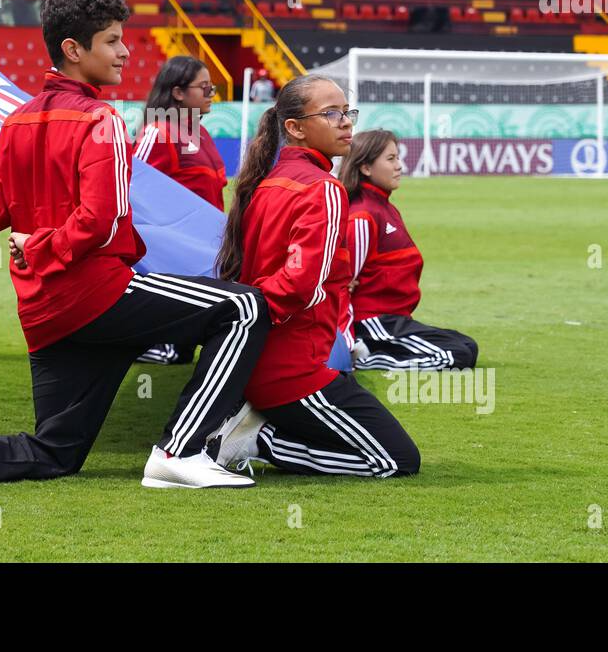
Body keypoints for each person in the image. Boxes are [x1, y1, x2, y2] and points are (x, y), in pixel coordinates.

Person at [0, 0, 271, 494]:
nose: (124, 52)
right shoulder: (101, 119)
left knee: (56, 452)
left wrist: (27, 232)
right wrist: (41, 245)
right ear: (74, 50)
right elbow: (100, 220)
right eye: (112, 41)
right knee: (245, 307)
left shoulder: (16, 120)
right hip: (97, 296)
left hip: (45, 313)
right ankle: (181, 452)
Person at [209, 76, 420, 479]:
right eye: (331, 113)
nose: (346, 123)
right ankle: (258, 440)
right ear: (295, 127)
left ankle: (258, 425)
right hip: (294, 372)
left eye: (347, 112)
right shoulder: (323, 188)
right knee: (396, 460)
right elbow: (300, 285)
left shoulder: (266, 182)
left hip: (266, 363)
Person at [340, 129, 478, 371]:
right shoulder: (362, 216)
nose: (399, 166)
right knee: (455, 356)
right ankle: (362, 360)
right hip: (373, 321)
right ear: (366, 168)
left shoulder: (384, 207)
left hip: (396, 319)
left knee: (468, 346)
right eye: (391, 159)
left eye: (398, 157)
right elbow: (342, 286)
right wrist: (347, 342)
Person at [131, 55, 227, 364]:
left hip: (205, 243)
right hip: (173, 249)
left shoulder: (202, 134)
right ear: (178, 92)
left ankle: (180, 341)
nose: (211, 94)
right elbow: (134, 187)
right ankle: (157, 339)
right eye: (205, 87)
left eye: (212, 88)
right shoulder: (159, 132)